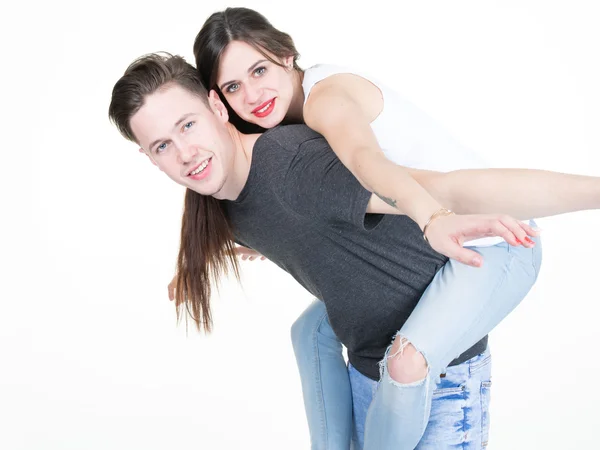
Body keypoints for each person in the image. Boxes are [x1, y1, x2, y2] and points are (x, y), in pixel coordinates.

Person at [109, 53, 600, 449]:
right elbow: (285, 225)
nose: (185, 153)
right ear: (146, 156)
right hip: (368, 374)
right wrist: (198, 264)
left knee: (393, 360)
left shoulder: (295, 166)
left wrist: (592, 193)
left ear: (218, 108)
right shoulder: (221, 201)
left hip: (437, 380)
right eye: (161, 146)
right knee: (309, 331)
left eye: (188, 126)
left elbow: (445, 187)